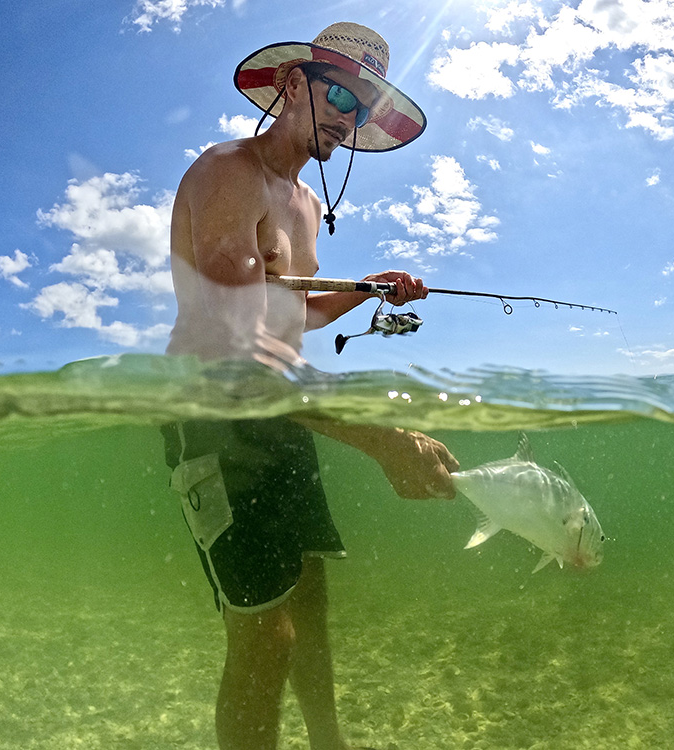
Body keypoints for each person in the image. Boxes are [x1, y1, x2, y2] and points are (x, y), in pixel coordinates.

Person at [162, 22, 460, 750]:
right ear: (292, 83)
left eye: (361, 108)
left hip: (286, 415)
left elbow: (293, 312)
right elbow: (236, 335)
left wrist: (366, 289)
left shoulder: (299, 202)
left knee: (311, 611)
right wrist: (381, 437)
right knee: (265, 640)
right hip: (216, 417)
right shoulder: (227, 172)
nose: (347, 118)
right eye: (338, 94)